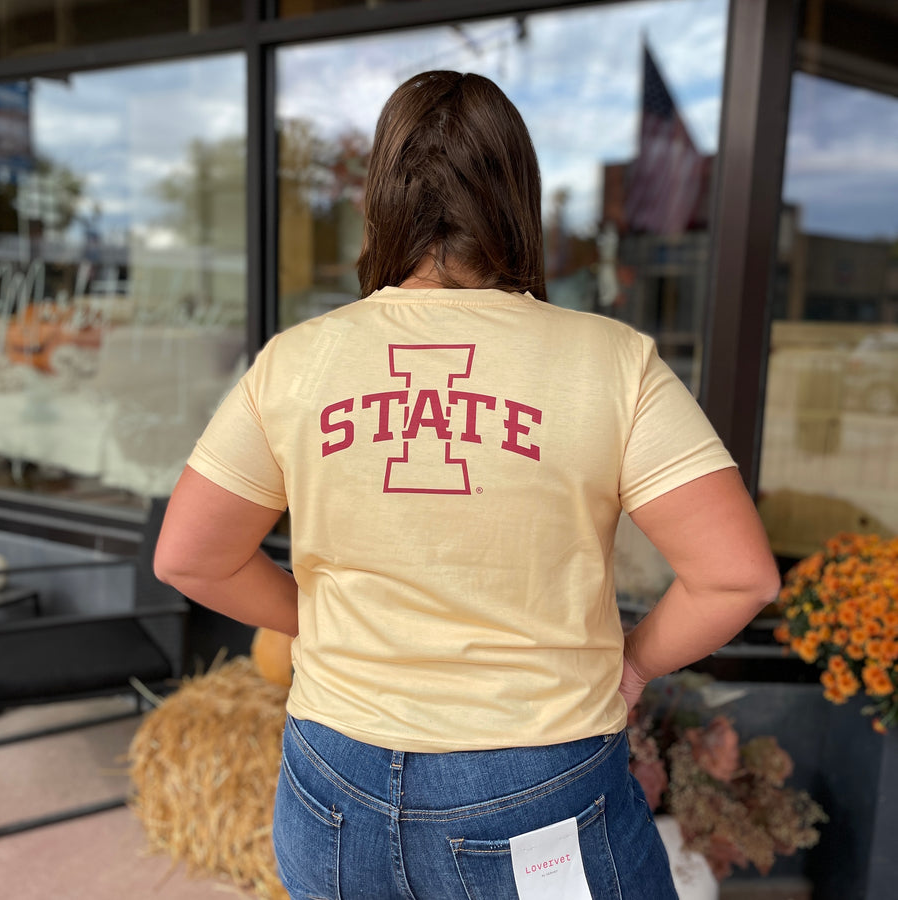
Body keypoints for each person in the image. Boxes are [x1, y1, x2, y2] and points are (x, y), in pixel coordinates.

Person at [155, 70, 781, 900]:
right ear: (517, 193)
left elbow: (192, 558)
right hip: (534, 781)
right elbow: (736, 575)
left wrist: (322, 624)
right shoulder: (610, 362)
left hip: (329, 775)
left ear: (381, 197)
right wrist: (632, 667)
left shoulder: (295, 362)